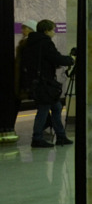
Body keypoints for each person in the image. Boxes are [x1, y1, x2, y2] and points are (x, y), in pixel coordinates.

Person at [17, 20, 73, 149]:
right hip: (45, 83)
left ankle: (61, 136)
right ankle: (37, 138)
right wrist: (70, 60)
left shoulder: (30, 43)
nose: (54, 32)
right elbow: (55, 57)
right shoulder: (45, 42)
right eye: (53, 30)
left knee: (56, 107)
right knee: (43, 110)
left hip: (37, 82)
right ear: (47, 31)